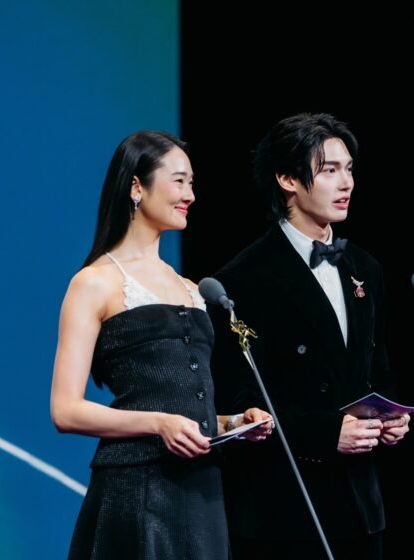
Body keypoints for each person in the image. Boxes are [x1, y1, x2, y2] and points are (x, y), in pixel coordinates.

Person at [50, 130, 274, 559]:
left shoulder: (191, 288)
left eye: (192, 183)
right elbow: (65, 410)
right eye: (178, 181)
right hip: (137, 487)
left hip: (202, 490)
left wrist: (232, 423)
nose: (190, 195)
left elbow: (181, 406)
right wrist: (159, 424)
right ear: (137, 187)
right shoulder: (95, 282)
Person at [207, 113, 412, 559]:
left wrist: (392, 415)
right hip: (287, 510)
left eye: (349, 169)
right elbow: (241, 399)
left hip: (362, 506)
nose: (346, 183)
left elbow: (376, 369)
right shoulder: (243, 279)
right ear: (287, 179)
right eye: (329, 170)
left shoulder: (364, 267)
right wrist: (324, 434)